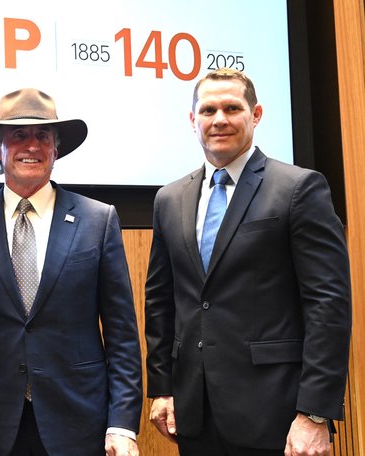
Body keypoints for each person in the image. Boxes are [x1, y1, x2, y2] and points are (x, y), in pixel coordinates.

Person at [144, 68, 352, 456]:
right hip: (195, 415)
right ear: (193, 121)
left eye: (231, 108)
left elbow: (328, 306)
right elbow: (160, 301)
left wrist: (315, 414)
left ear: (255, 115)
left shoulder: (298, 189)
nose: (219, 119)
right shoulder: (170, 198)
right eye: (207, 110)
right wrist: (162, 388)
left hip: (278, 416)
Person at [0, 88, 143, 456]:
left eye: (43, 136)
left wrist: (122, 423)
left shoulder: (97, 220)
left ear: (56, 149)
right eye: (18, 135)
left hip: (79, 420)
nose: (32, 146)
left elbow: (122, 334)